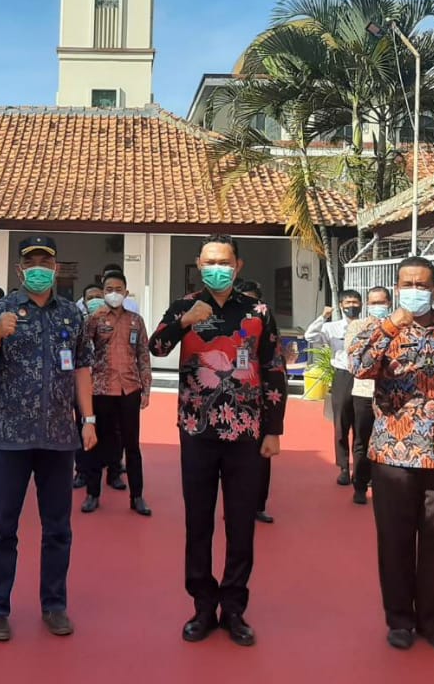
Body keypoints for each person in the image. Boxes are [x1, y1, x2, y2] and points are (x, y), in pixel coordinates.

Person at [348, 257, 434, 653]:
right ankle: (399, 621)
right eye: (407, 284)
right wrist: (390, 325)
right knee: (394, 543)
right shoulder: (381, 331)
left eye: (422, 285)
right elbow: (358, 367)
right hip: (392, 455)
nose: (414, 290)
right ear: (396, 289)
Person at [149, 236, 286, 647]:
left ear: (238, 265)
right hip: (197, 431)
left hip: (246, 433)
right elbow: (157, 347)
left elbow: (274, 368)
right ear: (198, 264)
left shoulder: (258, 311)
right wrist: (185, 321)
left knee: (241, 524)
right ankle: (203, 606)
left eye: (224, 262)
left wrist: (273, 429)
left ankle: (235, 607)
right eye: (209, 262)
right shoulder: (184, 306)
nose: (217, 269)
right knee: (198, 522)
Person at [0, 235, 96, 643]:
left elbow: (82, 368)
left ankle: (54, 605)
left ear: (56, 268)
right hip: (10, 437)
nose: (39, 268)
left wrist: (88, 419)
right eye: (31, 263)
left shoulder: (72, 315)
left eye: (46, 262)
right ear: (20, 269)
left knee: (58, 528)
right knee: (1, 528)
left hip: (59, 437)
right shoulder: (2, 309)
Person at [81, 270, 152, 516]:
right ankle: (92, 493)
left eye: (118, 289)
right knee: (96, 442)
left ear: (126, 292)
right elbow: (82, 346)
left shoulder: (136, 320)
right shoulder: (96, 319)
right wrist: (92, 318)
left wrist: (146, 388)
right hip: (101, 388)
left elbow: (143, 354)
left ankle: (137, 496)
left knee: (131, 444)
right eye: (109, 289)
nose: (114, 294)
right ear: (103, 293)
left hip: (129, 388)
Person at [305, 288, 364, 486]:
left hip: (364, 377)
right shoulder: (332, 328)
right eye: (348, 303)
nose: (352, 306)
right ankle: (344, 468)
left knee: (362, 425)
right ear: (341, 305)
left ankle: (361, 471)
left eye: (355, 302)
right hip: (342, 375)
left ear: (361, 305)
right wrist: (323, 317)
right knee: (341, 424)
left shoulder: (367, 326)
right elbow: (310, 336)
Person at [344, 286, 392, 505]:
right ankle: (360, 485)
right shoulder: (358, 326)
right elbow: (354, 354)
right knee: (362, 439)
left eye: (381, 302)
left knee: (388, 441)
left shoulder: (399, 326)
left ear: (389, 303)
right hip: (363, 392)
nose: (377, 307)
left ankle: (384, 485)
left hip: (390, 393)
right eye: (373, 303)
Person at [240, 280, 277, 524]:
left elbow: (273, 363)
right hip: (236, 402)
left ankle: (258, 506)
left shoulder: (265, 320)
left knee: (261, 460)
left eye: (252, 299)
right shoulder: (237, 325)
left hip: (260, 400)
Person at [73, 284, 115, 491]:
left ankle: (112, 469)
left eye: (99, 296)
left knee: (108, 429)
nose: (95, 300)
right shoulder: (77, 321)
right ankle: (82, 471)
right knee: (81, 426)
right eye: (91, 297)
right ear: (84, 301)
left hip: (105, 384)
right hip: (82, 383)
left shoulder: (113, 320)